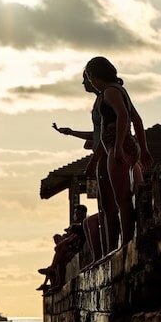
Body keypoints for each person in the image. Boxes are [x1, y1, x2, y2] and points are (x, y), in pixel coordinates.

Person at [83, 57, 153, 249]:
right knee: (119, 199)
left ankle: (126, 243)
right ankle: (119, 244)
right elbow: (137, 120)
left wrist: (119, 146)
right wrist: (144, 150)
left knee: (121, 199)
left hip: (117, 147)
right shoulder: (119, 90)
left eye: (89, 77)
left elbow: (123, 116)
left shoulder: (110, 92)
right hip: (123, 146)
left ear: (95, 76)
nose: (89, 82)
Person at [53, 72, 110, 261]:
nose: (84, 83)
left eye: (86, 78)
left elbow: (104, 135)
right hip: (103, 156)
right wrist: (71, 132)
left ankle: (107, 252)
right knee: (103, 209)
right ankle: (99, 256)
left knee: (108, 206)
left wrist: (94, 159)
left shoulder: (108, 96)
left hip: (107, 157)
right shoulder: (101, 100)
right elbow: (96, 135)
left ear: (96, 78)